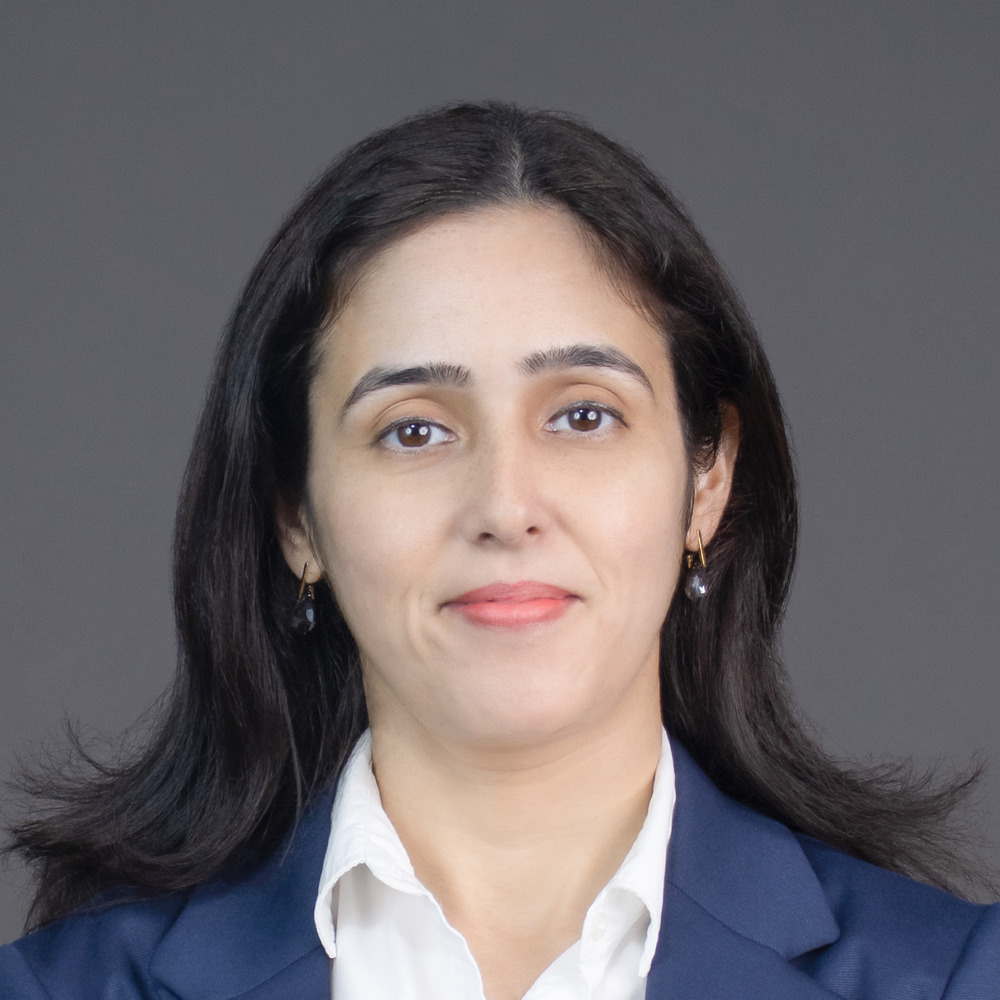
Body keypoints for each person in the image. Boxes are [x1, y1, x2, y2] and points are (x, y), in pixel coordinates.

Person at [1, 101, 997, 1000]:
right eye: (414, 430)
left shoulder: (949, 980)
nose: (505, 506)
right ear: (296, 517)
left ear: (706, 480)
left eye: (582, 415)